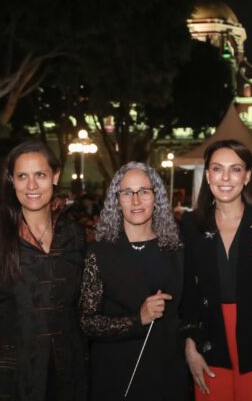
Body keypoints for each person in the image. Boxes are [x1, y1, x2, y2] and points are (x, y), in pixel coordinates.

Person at [0, 140, 87, 400]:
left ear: (55, 176)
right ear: (11, 180)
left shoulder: (73, 233)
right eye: (22, 176)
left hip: (65, 367)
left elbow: (80, 301)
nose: (31, 185)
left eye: (40, 175)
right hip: (9, 371)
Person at [179, 140, 252, 401]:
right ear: (207, 175)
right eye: (217, 169)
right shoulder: (191, 224)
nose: (226, 178)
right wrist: (189, 346)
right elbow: (188, 292)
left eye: (235, 169)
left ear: (248, 175)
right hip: (208, 341)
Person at [79, 162, 188, 401]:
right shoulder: (99, 253)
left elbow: (187, 312)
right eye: (127, 193)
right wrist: (138, 319)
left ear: (156, 197)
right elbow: (87, 322)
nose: (136, 201)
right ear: (116, 201)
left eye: (144, 192)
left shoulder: (176, 249)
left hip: (169, 373)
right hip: (117, 374)